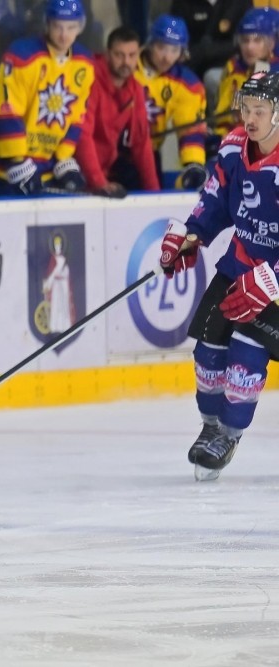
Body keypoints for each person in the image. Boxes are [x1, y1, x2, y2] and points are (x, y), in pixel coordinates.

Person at [159, 70, 279, 482]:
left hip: (274, 284)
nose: (251, 118)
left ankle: (229, 435)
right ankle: (210, 427)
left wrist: (273, 279)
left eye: (260, 110)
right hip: (238, 267)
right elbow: (214, 203)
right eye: (246, 109)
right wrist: (191, 235)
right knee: (208, 354)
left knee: (246, 356)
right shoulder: (232, 148)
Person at [0, 0, 95, 197]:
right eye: (58, 26)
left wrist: (63, 157)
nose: (64, 34)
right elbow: (7, 109)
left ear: (80, 27)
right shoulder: (22, 55)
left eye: (71, 27)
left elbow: (77, 115)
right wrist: (17, 160)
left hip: (45, 167)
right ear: (47, 24)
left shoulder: (85, 63)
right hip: (0, 169)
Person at [75, 27, 160, 196]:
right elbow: (82, 135)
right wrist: (99, 183)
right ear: (107, 54)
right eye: (119, 55)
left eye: (132, 55)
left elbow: (141, 142)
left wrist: (155, 193)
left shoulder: (135, 88)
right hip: (75, 171)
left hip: (105, 172)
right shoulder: (89, 79)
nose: (126, 62)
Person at [134, 14, 208, 191]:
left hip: (148, 154)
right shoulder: (128, 65)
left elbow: (191, 127)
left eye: (174, 50)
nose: (167, 57)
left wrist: (193, 163)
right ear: (150, 43)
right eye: (161, 47)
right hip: (109, 151)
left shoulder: (187, 84)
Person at [211, 8, 279, 141]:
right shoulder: (232, 67)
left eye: (257, 40)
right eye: (245, 40)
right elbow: (222, 115)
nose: (249, 47)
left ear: (272, 43)